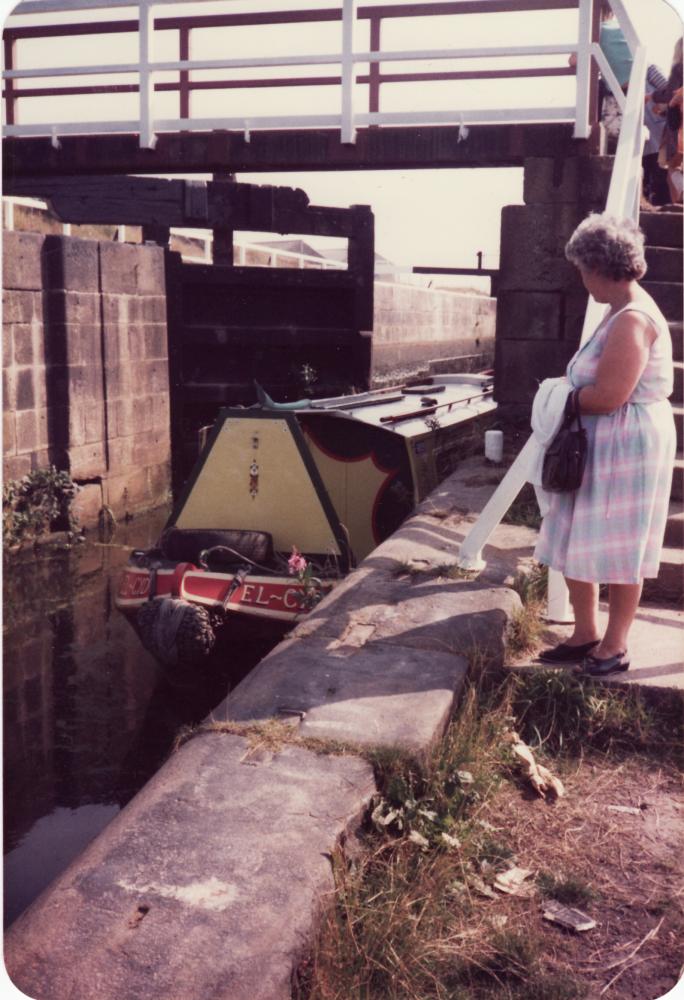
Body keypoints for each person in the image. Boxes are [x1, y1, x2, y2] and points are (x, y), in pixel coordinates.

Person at [535, 213, 676, 676]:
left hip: (627, 445)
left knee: (620, 542)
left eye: (581, 268)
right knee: (578, 532)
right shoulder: (616, 310)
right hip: (604, 442)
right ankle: (585, 633)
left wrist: (560, 397)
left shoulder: (632, 319)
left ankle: (613, 646)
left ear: (599, 267)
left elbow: (610, 396)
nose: (581, 278)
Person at [651, 38, 683, 205]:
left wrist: (653, 96)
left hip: (676, 126)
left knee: (672, 166)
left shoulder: (679, 68)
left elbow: (671, 94)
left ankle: (682, 193)